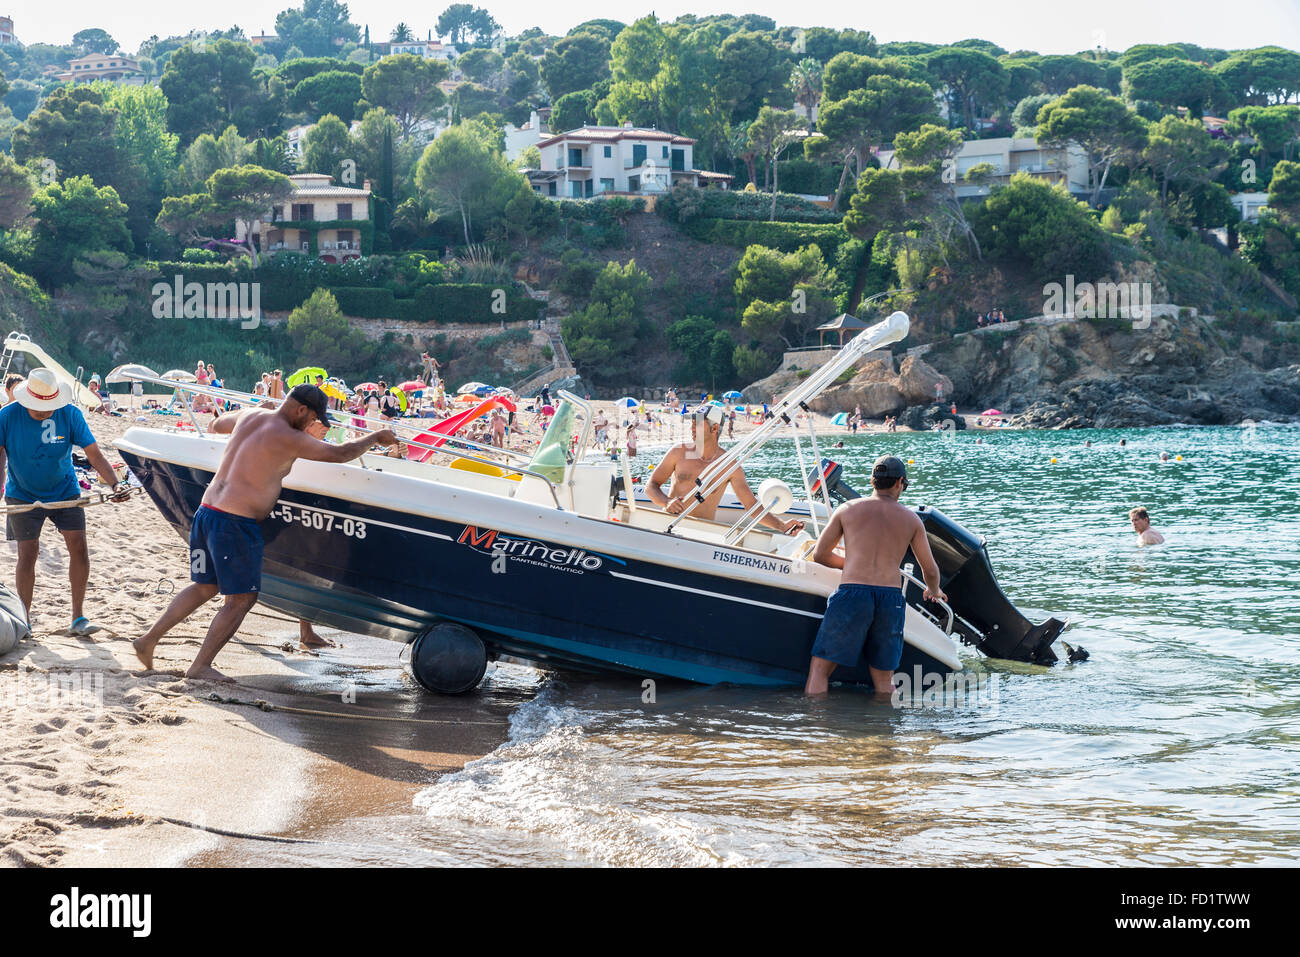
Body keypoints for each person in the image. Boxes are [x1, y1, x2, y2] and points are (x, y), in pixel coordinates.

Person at [132, 385, 399, 680]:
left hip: (206, 512)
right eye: (312, 419)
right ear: (301, 411)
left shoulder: (250, 415)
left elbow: (216, 424)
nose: (312, 425)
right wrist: (376, 437)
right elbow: (340, 453)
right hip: (234, 523)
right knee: (242, 599)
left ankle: (147, 640)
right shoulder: (289, 436)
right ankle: (200, 666)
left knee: (205, 587)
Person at [201, 403, 340, 651]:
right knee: (238, 582)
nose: (325, 429)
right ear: (307, 419)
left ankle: (306, 631)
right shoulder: (288, 436)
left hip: (286, 506)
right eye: (321, 424)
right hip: (255, 512)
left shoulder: (297, 437)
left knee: (309, 560)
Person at [0, 369, 130, 634]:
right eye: (38, 409)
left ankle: (78, 617)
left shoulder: (70, 414)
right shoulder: (6, 416)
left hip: (64, 490)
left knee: (79, 548)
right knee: (28, 554)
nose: (44, 412)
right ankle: (24, 619)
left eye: (48, 407)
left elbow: (93, 454)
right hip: (22, 492)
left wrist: (116, 483)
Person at [804, 456, 946, 695]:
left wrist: (851, 564)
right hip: (889, 599)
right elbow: (930, 570)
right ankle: (884, 729)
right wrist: (933, 590)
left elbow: (820, 555)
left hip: (852, 594)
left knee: (820, 670)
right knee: (884, 680)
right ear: (900, 482)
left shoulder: (847, 510)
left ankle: (818, 727)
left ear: (872, 481)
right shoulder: (911, 519)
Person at [646, 403, 804, 535]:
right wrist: (666, 501)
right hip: (669, 526)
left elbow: (751, 506)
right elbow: (651, 485)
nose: (692, 428)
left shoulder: (728, 465)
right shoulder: (678, 452)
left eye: (698, 424)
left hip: (701, 533)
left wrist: (782, 526)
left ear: (714, 429)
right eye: (692, 424)